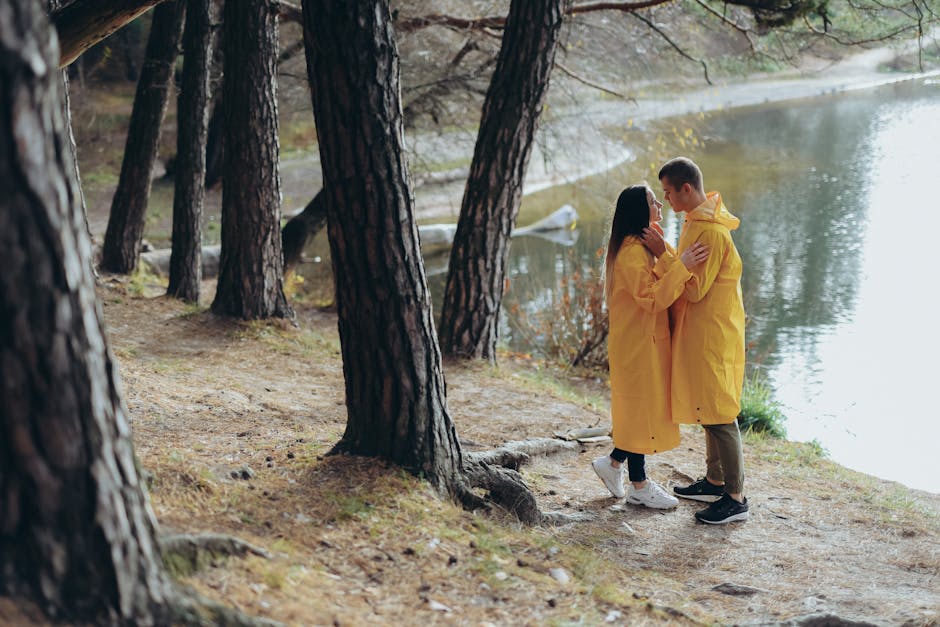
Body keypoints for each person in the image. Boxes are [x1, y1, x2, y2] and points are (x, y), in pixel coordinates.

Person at [643, 156, 749, 524]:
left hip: (714, 334)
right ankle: (714, 480)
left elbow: (695, 289)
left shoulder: (712, 232)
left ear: (686, 189)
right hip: (699, 332)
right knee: (707, 407)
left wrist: (663, 255)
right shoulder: (696, 221)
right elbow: (685, 267)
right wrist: (673, 257)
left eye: (669, 193)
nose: (667, 200)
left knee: (720, 414)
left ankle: (735, 497)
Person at [591, 184, 709, 509]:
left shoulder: (642, 244)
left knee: (639, 410)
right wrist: (681, 263)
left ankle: (613, 464)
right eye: (652, 200)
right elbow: (654, 298)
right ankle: (639, 485)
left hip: (645, 342)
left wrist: (669, 256)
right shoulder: (630, 253)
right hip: (637, 345)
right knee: (640, 411)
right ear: (637, 211)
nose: (659, 203)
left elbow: (661, 279)